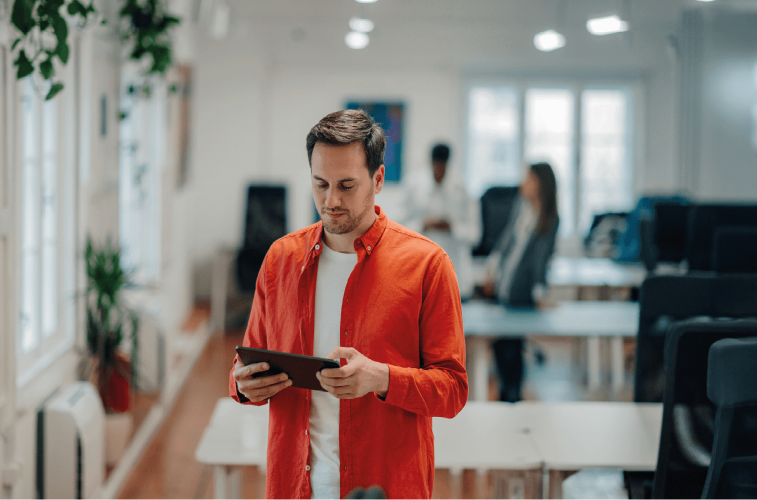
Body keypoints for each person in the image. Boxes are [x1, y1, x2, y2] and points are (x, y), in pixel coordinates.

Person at [230, 110, 467, 500]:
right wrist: (243, 385)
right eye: (320, 184)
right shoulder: (280, 260)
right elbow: (243, 367)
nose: (331, 200)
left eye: (346, 185)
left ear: (378, 180)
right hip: (293, 486)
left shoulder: (428, 265)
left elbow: (453, 389)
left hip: (385, 488)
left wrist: (382, 378)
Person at [479, 163, 560, 402]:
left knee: (510, 348)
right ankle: (508, 393)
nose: (523, 183)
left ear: (540, 184)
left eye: (529, 179)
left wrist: (539, 294)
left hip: (522, 293)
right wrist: (491, 270)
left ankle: (512, 395)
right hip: (504, 283)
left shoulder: (550, 219)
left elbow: (541, 261)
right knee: (500, 346)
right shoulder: (520, 208)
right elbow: (506, 241)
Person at [403, 143, 478, 296]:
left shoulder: (461, 189)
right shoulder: (413, 186)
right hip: (419, 273)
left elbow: (474, 235)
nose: (439, 171)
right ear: (430, 163)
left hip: (455, 274)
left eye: (442, 166)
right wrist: (424, 225)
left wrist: (452, 228)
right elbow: (398, 228)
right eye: (436, 166)